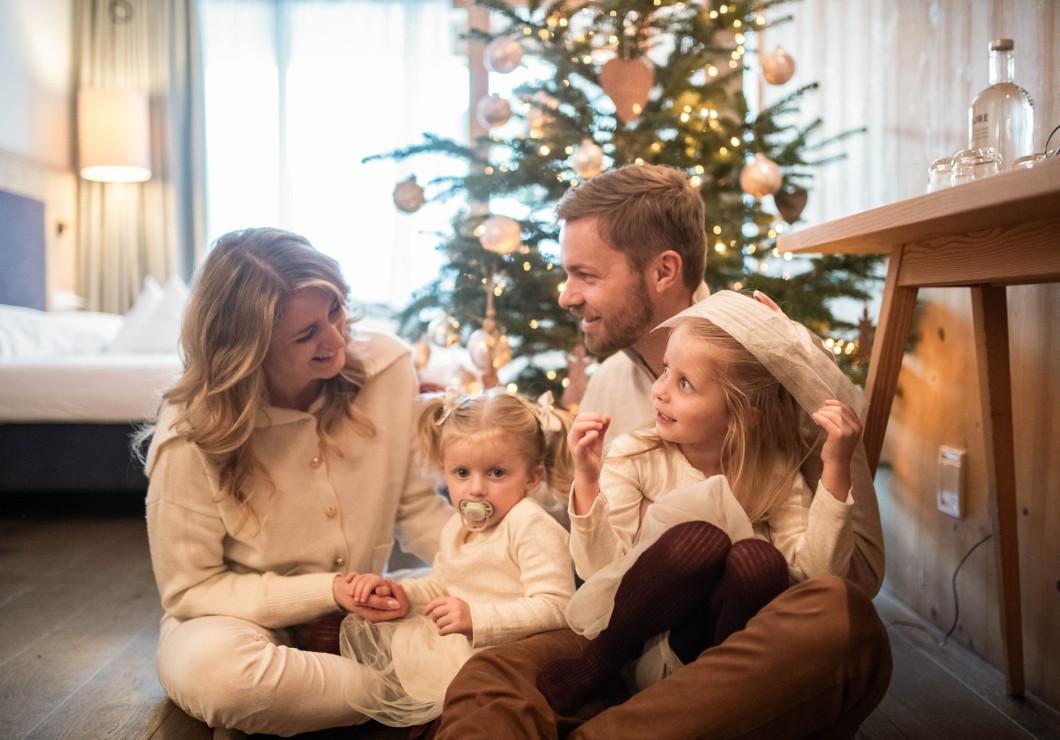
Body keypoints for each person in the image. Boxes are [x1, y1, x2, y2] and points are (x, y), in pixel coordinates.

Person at [434, 163, 891, 739]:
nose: (566, 295)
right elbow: (586, 565)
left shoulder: (770, 372)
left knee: (841, 621)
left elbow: (857, 578)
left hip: (745, 639)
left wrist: (805, 370)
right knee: (490, 676)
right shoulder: (607, 385)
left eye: (585, 275)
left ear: (663, 271)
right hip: (622, 635)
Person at [141, 227, 453, 736]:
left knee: (489, 605)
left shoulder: (388, 368)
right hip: (236, 619)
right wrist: (328, 590)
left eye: (334, 311)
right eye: (305, 334)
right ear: (246, 348)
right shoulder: (189, 433)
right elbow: (191, 589)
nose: (335, 340)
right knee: (219, 677)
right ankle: (428, 688)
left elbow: (416, 507)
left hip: (368, 612)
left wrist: (489, 562)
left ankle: (321, 703)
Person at [538, 290, 866, 715]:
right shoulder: (637, 454)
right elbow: (599, 570)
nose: (659, 391)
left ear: (744, 412)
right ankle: (598, 662)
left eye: (684, 383)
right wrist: (587, 479)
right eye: (665, 371)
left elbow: (816, 575)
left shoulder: (774, 470)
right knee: (700, 539)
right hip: (642, 639)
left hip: (721, 659)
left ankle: (719, 697)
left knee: (760, 561)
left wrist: (837, 465)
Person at [335, 387, 577, 726]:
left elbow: (557, 605)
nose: (476, 489)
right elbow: (443, 584)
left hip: (514, 651)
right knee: (352, 638)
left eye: (496, 473)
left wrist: (477, 618)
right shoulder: (456, 527)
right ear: (444, 471)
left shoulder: (529, 524)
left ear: (532, 477)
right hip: (464, 644)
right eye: (462, 473)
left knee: (471, 706)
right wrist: (402, 595)